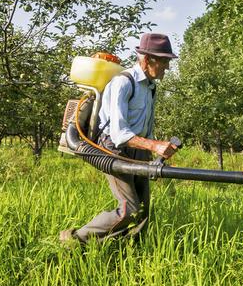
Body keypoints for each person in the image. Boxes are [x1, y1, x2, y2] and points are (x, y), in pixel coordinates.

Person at [60, 33, 179, 245]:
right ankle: (74, 240)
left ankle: (125, 250)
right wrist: (155, 145)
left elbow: (146, 128)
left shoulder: (151, 88)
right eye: (164, 61)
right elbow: (119, 133)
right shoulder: (123, 83)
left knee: (142, 211)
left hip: (139, 149)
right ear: (147, 59)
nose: (167, 67)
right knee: (129, 209)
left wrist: (155, 154)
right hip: (114, 150)